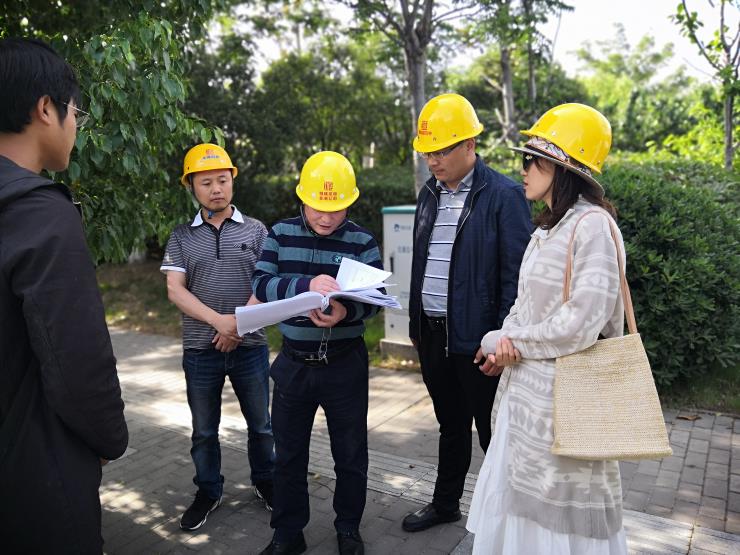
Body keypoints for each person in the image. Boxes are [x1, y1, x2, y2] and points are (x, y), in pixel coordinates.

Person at [467, 103, 629, 554]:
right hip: (526, 408)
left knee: (557, 526)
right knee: (521, 519)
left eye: (531, 160)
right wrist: (503, 346)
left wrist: (511, 341)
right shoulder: (547, 228)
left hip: (567, 410)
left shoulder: (593, 226)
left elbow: (581, 323)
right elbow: (524, 307)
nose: (522, 169)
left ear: (563, 167)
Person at [0, 37, 128, 552]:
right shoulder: (39, 213)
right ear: (45, 109)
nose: (76, 125)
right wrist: (107, 437)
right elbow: (76, 359)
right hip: (33, 478)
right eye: (75, 112)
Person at [403, 93, 532, 533]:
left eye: (441, 151)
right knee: (450, 426)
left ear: (470, 144)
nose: (433, 161)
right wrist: (416, 324)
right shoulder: (428, 194)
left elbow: (516, 278)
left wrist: (501, 339)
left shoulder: (504, 195)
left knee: (493, 433)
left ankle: (510, 523)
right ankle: (445, 505)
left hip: (480, 342)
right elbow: (422, 264)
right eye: (427, 153)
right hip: (433, 335)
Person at [254, 151, 383, 555]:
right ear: (302, 199)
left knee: (350, 454)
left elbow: (377, 298)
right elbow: (260, 283)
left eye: (336, 209)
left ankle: (348, 529)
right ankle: (287, 534)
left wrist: (347, 311)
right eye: (317, 208)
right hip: (294, 362)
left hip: (345, 363)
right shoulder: (279, 234)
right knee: (288, 456)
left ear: (350, 203)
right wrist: (305, 287)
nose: (326, 218)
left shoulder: (362, 240)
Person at [160, 143, 274, 531]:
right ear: (191, 186)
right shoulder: (181, 236)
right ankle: (208, 491)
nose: (216, 189)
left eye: (222, 180)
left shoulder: (257, 230)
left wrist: (238, 326)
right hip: (199, 349)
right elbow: (175, 290)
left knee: (261, 426)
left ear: (232, 181)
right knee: (204, 431)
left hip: (250, 347)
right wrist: (220, 323)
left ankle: (267, 482)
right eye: (206, 182)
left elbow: (266, 282)